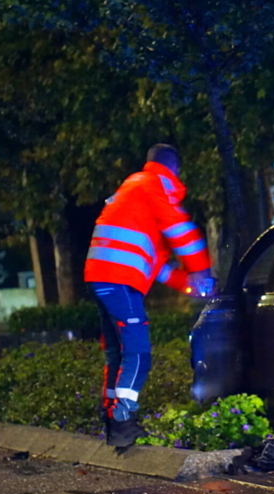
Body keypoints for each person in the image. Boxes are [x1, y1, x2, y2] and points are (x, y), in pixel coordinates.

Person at [84, 144, 215, 448]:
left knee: (117, 353)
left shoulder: (133, 190)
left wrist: (189, 284)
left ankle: (112, 418)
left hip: (101, 277)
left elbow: (157, 266)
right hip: (118, 280)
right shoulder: (152, 185)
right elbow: (182, 233)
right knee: (138, 352)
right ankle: (123, 421)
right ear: (175, 169)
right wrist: (202, 273)